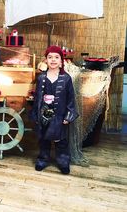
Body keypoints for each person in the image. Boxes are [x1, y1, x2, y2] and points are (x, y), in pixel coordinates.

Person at [31, 45, 79, 174]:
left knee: (61, 140)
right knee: (43, 140)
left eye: (56, 57)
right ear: (45, 60)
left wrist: (68, 116)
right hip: (44, 114)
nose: (53, 60)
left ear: (61, 61)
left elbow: (71, 99)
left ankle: (63, 162)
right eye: (50, 57)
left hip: (60, 115)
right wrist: (36, 114)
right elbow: (37, 98)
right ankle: (42, 159)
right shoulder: (41, 78)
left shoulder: (66, 78)